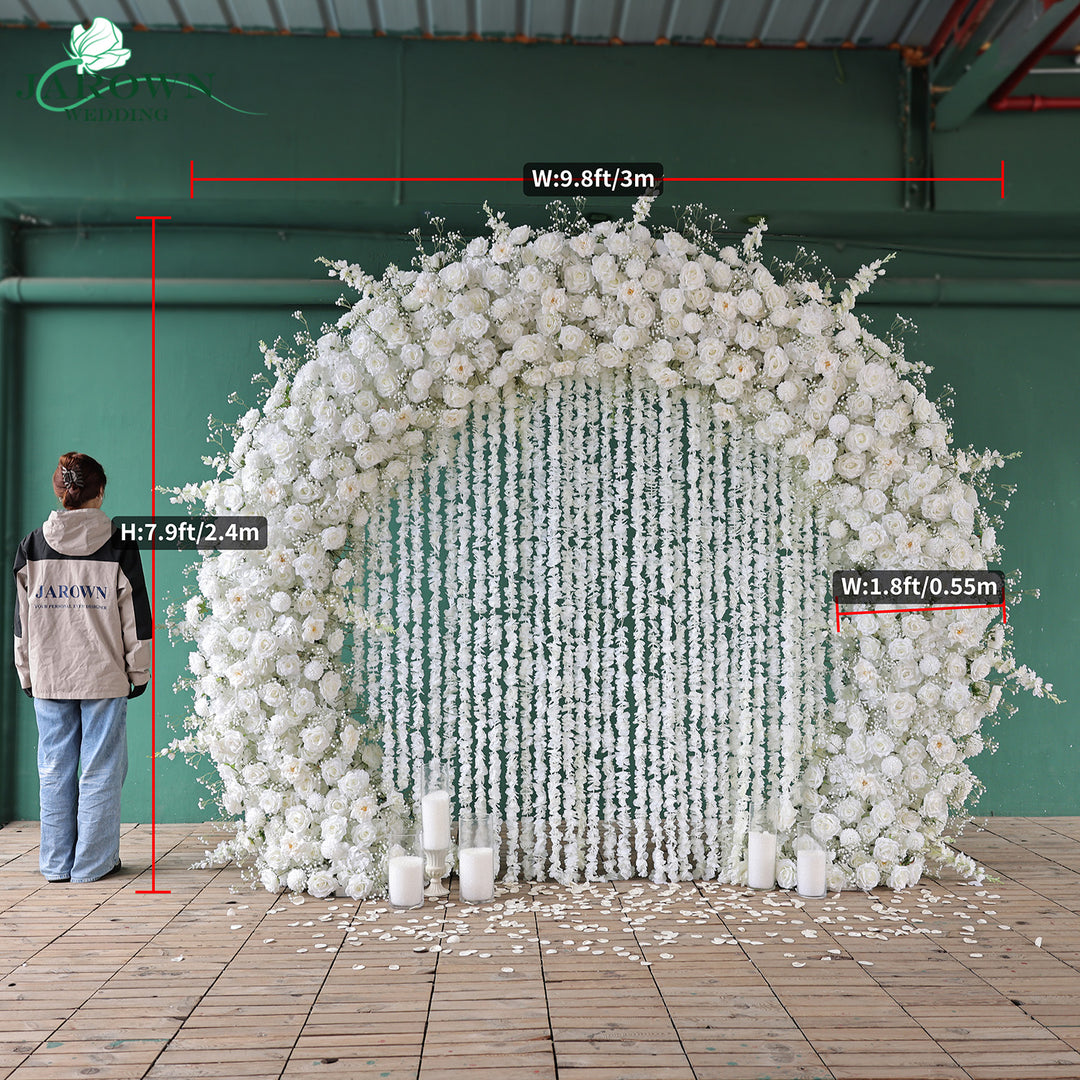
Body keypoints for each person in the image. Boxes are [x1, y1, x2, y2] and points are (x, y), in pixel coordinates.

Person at [12, 452, 151, 884]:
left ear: (60, 492)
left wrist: (26, 671)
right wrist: (139, 672)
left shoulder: (33, 545)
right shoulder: (119, 544)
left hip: (50, 674)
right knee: (101, 768)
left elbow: (22, 621)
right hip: (104, 676)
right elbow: (137, 619)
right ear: (100, 492)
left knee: (54, 768)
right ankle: (92, 864)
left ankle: (55, 865)